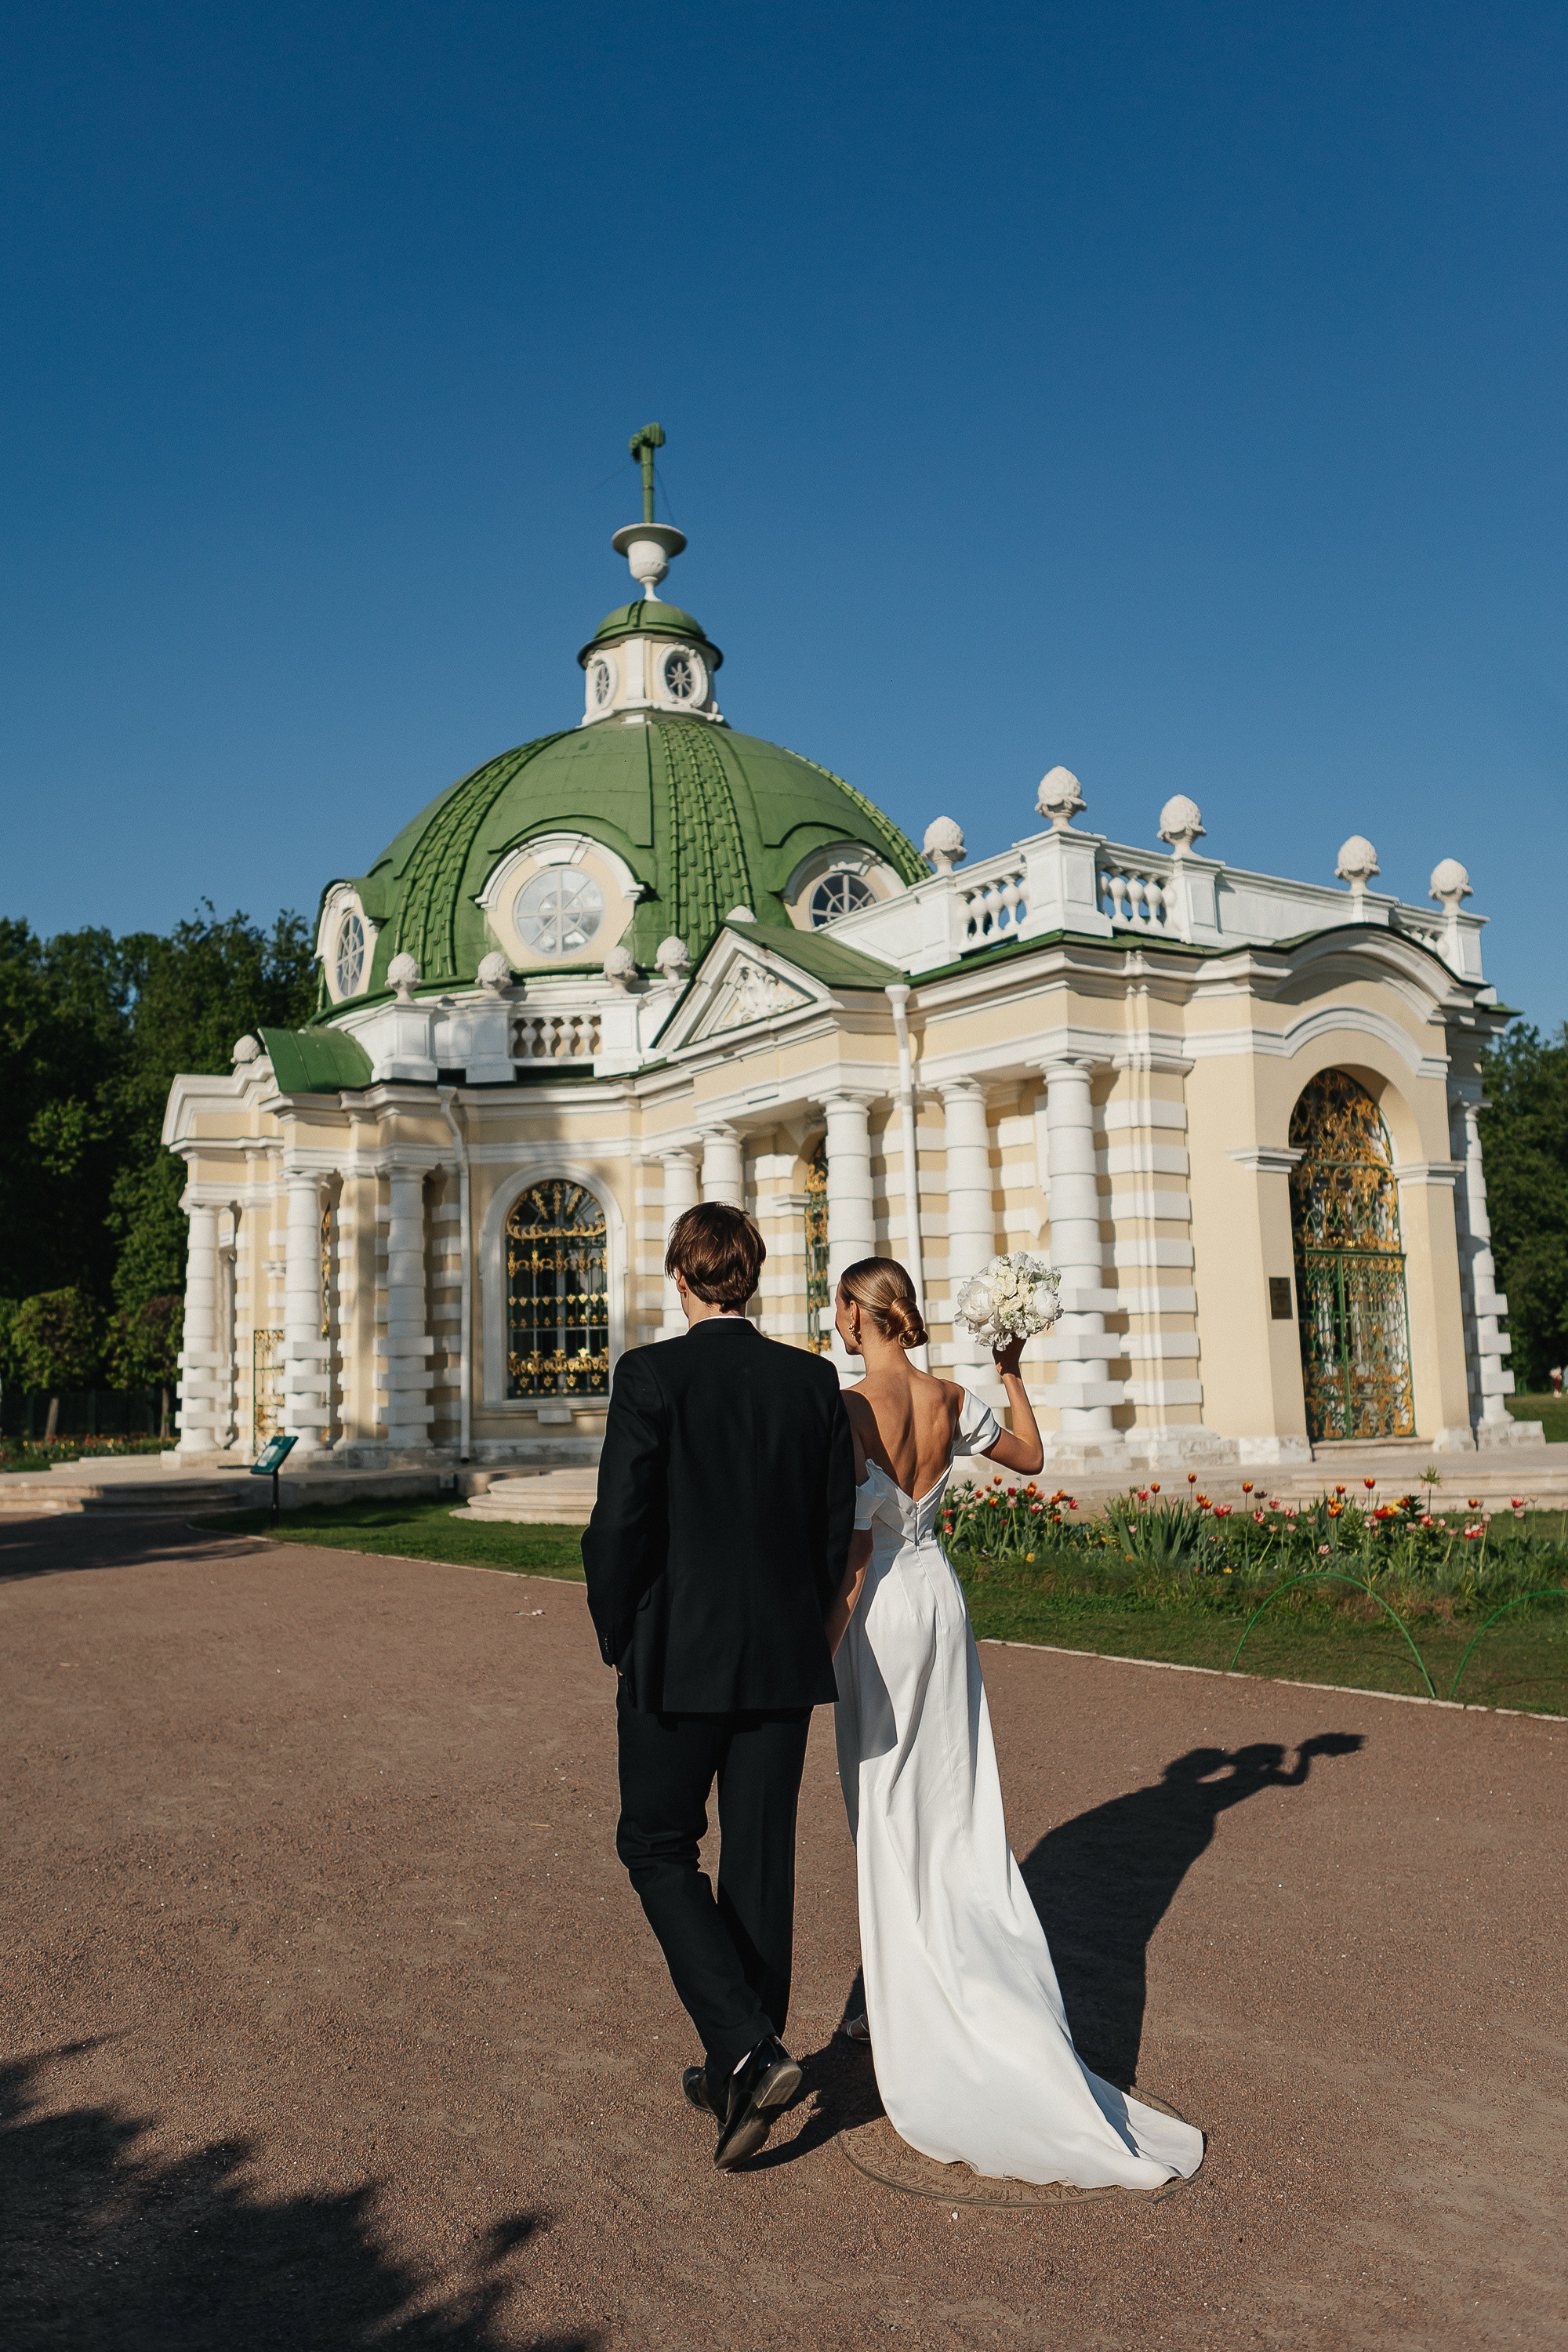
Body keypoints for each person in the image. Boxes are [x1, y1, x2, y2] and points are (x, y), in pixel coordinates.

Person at [827, 1255, 1205, 2192]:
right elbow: (1031, 1459)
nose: (831, 1322)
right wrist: (1009, 1366)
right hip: (939, 1602)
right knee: (954, 1802)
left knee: (885, 1805)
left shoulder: (843, 1409)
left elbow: (847, 1543)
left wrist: (816, 1642)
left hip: (877, 1611)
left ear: (853, 1312)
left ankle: (902, 1995)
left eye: (834, 1308)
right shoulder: (950, 1397)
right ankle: (928, 1972)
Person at [582, 1201, 856, 2170]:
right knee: (759, 1860)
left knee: (655, 1846)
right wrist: (799, 1628)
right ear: (753, 1275)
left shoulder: (650, 1373)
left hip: (675, 1654)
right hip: (779, 1655)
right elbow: (832, 1534)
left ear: (678, 1277)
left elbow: (620, 1523)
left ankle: (746, 2047)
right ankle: (742, 2061)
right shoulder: (811, 1379)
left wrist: (619, 1632)